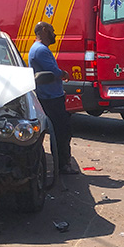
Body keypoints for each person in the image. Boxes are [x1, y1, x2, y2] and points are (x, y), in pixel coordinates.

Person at [28, 22, 79, 175]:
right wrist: (63, 73)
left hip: (52, 96)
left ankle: (61, 163)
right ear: (44, 31)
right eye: (52, 30)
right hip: (50, 98)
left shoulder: (38, 49)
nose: (54, 34)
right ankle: (63, 165)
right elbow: (54, 72)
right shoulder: (40, 50)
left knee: (61, 130)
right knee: (61, 131)